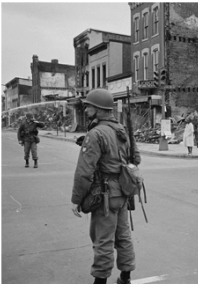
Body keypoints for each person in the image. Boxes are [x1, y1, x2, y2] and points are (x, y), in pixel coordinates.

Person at [69, 89, 141, 284]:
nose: (86, 109)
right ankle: (125, 277)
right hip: (123, 193)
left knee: (103, 240)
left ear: (99, 109)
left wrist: (76, 200)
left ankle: (99, 283)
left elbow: (84, 172)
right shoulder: (121, 130)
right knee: (123, 236)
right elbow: (136, 159)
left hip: (105, 195)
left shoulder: (95, 134)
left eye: (89, 106)